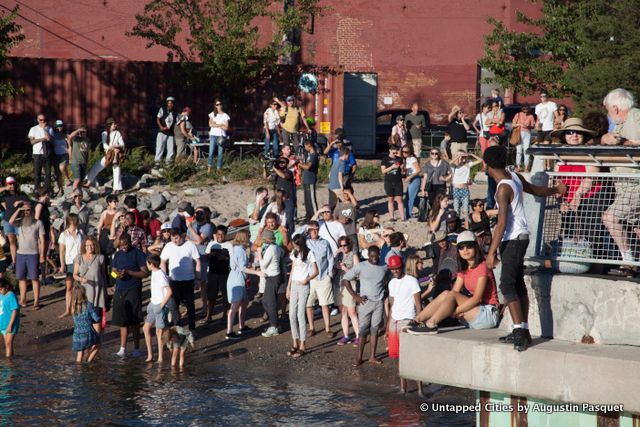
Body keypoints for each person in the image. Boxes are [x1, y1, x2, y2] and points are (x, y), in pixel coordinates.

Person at [483, 146, 566, 351]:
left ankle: (520, 332)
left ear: (487, 165)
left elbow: (501, 223)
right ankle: (523, 329)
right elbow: (536, 190)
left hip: (513, 239)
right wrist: (556, 189)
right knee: (517, 283)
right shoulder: (514, 176)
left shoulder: (503, 188)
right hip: (521, 237)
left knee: (507, 285)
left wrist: (491, 252)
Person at [408, 231, 500, 335]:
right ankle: (417, 320)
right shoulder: (464, 269)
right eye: (461, 247)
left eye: (469, 246)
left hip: (488, 313)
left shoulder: (482, 266)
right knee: (447, 293)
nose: (465, 250)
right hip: (475, 312)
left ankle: (431, 324)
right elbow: (453, 292)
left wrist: (455, 311)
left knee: (451, 294)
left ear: (475, 247)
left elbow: (477, 298)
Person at [600, 88, 640, 263]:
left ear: (615, 108)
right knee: (637, 227)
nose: (609, 114)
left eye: (608, 110)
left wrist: (625, 142)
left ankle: (628, 261)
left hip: (635, 184)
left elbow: (633, 144)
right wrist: (604, 139)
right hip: (624, 186)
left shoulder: (636, 117)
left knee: (610, 217)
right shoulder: (619, 125)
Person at [342, 246, 388, 366]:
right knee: (363, 331)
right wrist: (355, 296)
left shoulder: (384, 266)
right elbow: (345, 279)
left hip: (378, 303)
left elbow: (386, 280)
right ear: (368, 255)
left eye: (375, 256)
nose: (373, 259)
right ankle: (359, 358)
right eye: (371, 256)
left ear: (379, 254)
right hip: (364, 303)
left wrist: (384, 293)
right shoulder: (361, 266)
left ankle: (372, 356)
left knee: (375, 330)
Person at [386, 254, 422, 394]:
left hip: (408, 320)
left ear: (401, 267)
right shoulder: (391, 283)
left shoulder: (412, 280)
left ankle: (420, 389)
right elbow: (392, 305)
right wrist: (387, 327)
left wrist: (419, 322)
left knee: (412, 357)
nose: (394, 271)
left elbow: (418, 304)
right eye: (392, 269)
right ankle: (403, 388)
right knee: (399, 358)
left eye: (396, 268)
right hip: (394, 322)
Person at [111, 233, 148, 358]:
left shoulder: (138, 254)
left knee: (135, 320)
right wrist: (119, 275)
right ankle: (123, 348)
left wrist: (129, 272)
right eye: (121, 246)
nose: (123, 248)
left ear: (130, 242)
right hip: (120, 289)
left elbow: (145, 273)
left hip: (133, 288)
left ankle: (137, 348)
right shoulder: (117, 254)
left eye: (125, 245)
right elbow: (112, 273)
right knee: (123, 320)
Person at [160, 228, 201, 331]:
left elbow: (198, 262)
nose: (175, 241)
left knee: (190, 305)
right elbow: (163, 261)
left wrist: (198, 279)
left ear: (182, 236)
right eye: (172, 238)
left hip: (188, 281)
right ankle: (177, 327)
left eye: (177, 238)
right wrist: (164, 278)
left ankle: (192, 329)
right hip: (174, 281)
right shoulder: (168, 246)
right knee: (173, 305)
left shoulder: (190, 245)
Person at [286, 234, 318, 358]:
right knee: (291, 314)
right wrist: (288, 287)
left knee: (300, 314)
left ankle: (302, 345)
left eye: (296, 244)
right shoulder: (294, 253)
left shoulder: (309, 253)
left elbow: (316, 271)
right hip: (294, 284)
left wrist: (307, 280)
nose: (295, 246)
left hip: (303, 285)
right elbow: (293, 270)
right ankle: (295, 342)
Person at [9, 202, 45, 310]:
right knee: (21, 278)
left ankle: (36, 301)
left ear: (32, 211)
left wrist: (42, 255)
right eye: (24, 210)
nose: (26, 212)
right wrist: (19, 209)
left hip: (33, 254)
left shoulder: (38, 223)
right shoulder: (19, 223)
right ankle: (23, 300)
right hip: (20, 254)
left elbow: (42, 240)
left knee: (34, 278)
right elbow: (10, 221)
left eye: (28, 210)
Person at [226, 230, 261, 339]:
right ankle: (229, 331)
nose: (250, 238)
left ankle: (241, 326)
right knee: (235, 306)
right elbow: (243, 268)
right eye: (248, 236)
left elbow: (244, 264)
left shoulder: (238, 249)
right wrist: (257, 272)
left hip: (237, 278)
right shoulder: (240, 250)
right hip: (237, 279)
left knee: (244, 302)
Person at [305, 221, 335, 338]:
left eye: (316, 229)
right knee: (309, 304)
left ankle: (328, 328)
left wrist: (329, 274)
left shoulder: (325, 242)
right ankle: (311, 327)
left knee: (325, 304)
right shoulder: (306, 243)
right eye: (312, 230)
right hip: (310, 277)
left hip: (323, 276)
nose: (314, 231)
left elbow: (330, 258)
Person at [143, 254, 174, 363]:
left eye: (147, 263)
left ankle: (160, 357)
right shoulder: (154, 272)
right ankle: (150, 355)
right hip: (153, 303)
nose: (146, 265)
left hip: (160, 305)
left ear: (151, 264)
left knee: (159, 332)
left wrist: (161, 305)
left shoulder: (161, 274)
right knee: (146, 328)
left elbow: (169, 291)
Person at [73, 236, 107, 332]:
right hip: (83, 294)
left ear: (95, 246)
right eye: (87, 245)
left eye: (92, 245)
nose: (89, 247)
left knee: (96, 321)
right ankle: (88, 343)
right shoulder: (79, 258)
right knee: (85, 321)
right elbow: (74, 275)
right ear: (84, 246)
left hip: (97, 293)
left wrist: (105, 293)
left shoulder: (100, 258)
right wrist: (81, 279)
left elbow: (104, 275)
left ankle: (97, 343)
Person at [85, 117, 125, 194]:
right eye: (114, 124)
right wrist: (112, 148)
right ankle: (88, 182)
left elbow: (122, 144)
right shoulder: (104, 133)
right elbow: (104, 144)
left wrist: (117, 147)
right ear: (110, 125)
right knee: (97, 166)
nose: (115, 125)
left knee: (116, 170)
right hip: (108, 154)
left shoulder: (118, 133)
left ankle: (116, 189)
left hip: (116, 154)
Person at [333, 236, 360, 346]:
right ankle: (346, 336)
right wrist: (335, 255)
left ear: (349, 245)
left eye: (345, 245)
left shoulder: (354, 255)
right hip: (338, 284)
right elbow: (332, 267)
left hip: (349, 285)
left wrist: (345, 269)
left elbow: (358, 273)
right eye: (341, 245)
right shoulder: (339, 255)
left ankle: (358, 336)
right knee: (343, 311)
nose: (343, 247)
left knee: (352, 312)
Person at [258, 229, 285, 338]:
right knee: (265, 301)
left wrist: (259, 254)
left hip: (272, 277)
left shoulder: (271, 249)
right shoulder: (277, 247)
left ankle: (274, 326)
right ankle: (275, 324)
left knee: (270, 302)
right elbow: (283, 253)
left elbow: (263, 265)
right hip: (275, 276)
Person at [57, 214, 85, 318]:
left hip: (80, 262)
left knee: (79, 286)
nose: (75, 223)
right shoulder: (64, 235)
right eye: (74, 221)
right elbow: (61, 251)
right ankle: (68, 309)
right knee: (69, 286)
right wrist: (62, 265)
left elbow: (84, 246)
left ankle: (76, 308)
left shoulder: (81, 233)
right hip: (69, 263)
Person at [204, 225, 231, 322]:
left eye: (222, 234)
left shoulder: (229, 245)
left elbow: (232, 260)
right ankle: (209, 315)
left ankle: (225, 315)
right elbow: (205, 258)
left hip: (224, 273)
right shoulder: (211, 244)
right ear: (215, 234)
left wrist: (225, 258)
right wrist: (210, 255)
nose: (220, 236)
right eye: (218, 234)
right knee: (211, 296)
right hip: (212, 273)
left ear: (225, 235)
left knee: (225, 295)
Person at [2, 177, 29, 271]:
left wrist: (21, 202)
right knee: (12, 242)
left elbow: (29, 204)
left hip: (19, 221)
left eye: (13, 183)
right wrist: (4, 188)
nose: (12, 185)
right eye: (10, 184)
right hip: (8, 220)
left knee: (21, 242)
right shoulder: (5, 195)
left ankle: (23, 262)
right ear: (6, 184)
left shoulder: (21, 194)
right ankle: (14, 262)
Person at [70, 285, 101, 363]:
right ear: (84, 293)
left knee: (80, 353)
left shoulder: (73, 306)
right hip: (88, 332)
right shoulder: (88, 304)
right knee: (98, 345)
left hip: (77, 334)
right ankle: (88, 362)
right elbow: (96, 318)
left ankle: (79, 370)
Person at [450, 151, 483, 218]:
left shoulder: (467, 165)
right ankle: (457, 224)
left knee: (466, 209)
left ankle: (467, 225)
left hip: (464, 189)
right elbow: (450, 163)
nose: (461, 158)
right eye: (460, 156)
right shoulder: (454, 166)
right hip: (456, 189)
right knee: (456, 209)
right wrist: (458, 156)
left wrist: (471, 154)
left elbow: (480, 160)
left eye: (463, 157)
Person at [28, 114, 53, 193]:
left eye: (44, 120)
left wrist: (44, 129)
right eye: (41, 120)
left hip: (47, 153)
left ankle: (47, 190)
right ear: (38, 120)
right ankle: (37, 190)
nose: (43, 122)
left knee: (48, 173)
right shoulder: (33, 129)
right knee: (37, 173)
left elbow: (49, 139)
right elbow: (32, 141)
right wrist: (42, 139)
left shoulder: (49, 128)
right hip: (37, 153)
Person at [381, 145, 405, 222]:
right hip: (388, 181)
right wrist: (392, 167)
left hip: (398, 181)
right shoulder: (385, 159)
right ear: (390, 150)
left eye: (396, 152)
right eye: (393, 152)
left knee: (399, 199)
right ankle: (392, 217)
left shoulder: (399, 159)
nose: (395, 153)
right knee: (390, 199)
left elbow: (403, 169)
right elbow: (383, 171)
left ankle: (402, 218)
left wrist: (403, 167)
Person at [208, 99, 230, 172]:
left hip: (221, 136)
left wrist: (215, 124)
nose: (219, 106)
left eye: (220, 104)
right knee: (211, 152)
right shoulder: (212, 114)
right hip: (213, 135)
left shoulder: (225, 115)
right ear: (215, 106)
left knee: (220, 153)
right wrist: (221, 124)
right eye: (217, 104)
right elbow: (210, 124)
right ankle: (209, 169)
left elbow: (226, 127)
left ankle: (218, 169)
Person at [334, 189, 359, 254]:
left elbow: (356, 205)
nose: (346, 195)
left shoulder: (352, 205)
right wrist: (340, 221)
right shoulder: (339, 205)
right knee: (343, 253)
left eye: (348, 193)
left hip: (352, 232)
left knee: (355, 252)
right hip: (342, 233)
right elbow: (334, 217)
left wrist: (350, 193)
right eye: (345, 193)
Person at [67, 125, 91, 192]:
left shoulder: (87, 140)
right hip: (75, 162)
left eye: (84, 132)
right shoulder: (76, 139)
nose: (82, 133)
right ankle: (74, 194)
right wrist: (78, 130)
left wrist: (88, 160)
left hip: (83, 162)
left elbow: (88, 151)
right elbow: (70, 136)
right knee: (77, 179)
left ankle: (79, 196)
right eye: (81, 132)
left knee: (81, 181)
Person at [300, 139, 319, 221]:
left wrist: (300, 164)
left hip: (310, 179)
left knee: (312, 200)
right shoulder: (309, 155)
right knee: (307, 200)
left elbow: (308, 167)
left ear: (309, 145)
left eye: (305, 146)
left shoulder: (313, 155)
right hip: (306, 179)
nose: (305, 148)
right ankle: (309, 216)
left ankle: (315, 216)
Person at [511, 106, 536, 172]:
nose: (525, 113)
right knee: (519, 150)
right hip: (519, 133)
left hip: (527, 133)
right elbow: (513, 124)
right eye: (524, 111)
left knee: (526, 150)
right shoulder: (518, 114)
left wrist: (528, 126)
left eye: (527, 111)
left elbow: (533, 126)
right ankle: (518, 166)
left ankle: (526, 167)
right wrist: (520, 124)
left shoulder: (531, 116)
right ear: (522, 110)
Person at [155, 96, 177, 167]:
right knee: (160, 147)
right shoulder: (162, 109)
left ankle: (168, 164)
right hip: (162, 132)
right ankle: (157, 164)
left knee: (170, 149)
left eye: (171, 103)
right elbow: (158, 119)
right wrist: (160, 127)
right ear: (167, 103)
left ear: (173, 104)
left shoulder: (175, 112)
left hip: (170, 133)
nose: (170, 104)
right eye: (169, 103)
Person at [402, 144, 421, 220]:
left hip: (415, 179)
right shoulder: (406, 159)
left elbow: (419, 170)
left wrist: (409, 177)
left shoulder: (413, 159)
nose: (404, 153)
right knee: (414, 198)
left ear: (410, 152)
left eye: (406, 152)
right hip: (411, 179)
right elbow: (410, 170)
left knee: (409, 198)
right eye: (403, 151)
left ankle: (408, 215)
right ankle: (425, 207)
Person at [51, 119, 71, 193]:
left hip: (64, 154)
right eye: (58, 126)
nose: (59, 127)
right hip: (56, 155)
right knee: (58, 174)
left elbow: (69, 146)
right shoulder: (53, 135)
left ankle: (67, 179)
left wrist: (70, 156)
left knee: (62, 168)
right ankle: (61, 190)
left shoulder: (66, 135)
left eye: (61, 126)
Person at [0, 280, 18, 358]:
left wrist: (10, 325)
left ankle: (8, 363)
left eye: (0, 289)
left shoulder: (11, 295)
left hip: (11, 323)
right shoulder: (0, 295)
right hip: (2, 323)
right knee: (7, 344)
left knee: (8, 343)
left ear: (6, 287)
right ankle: (11, 359)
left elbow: (14, 310)